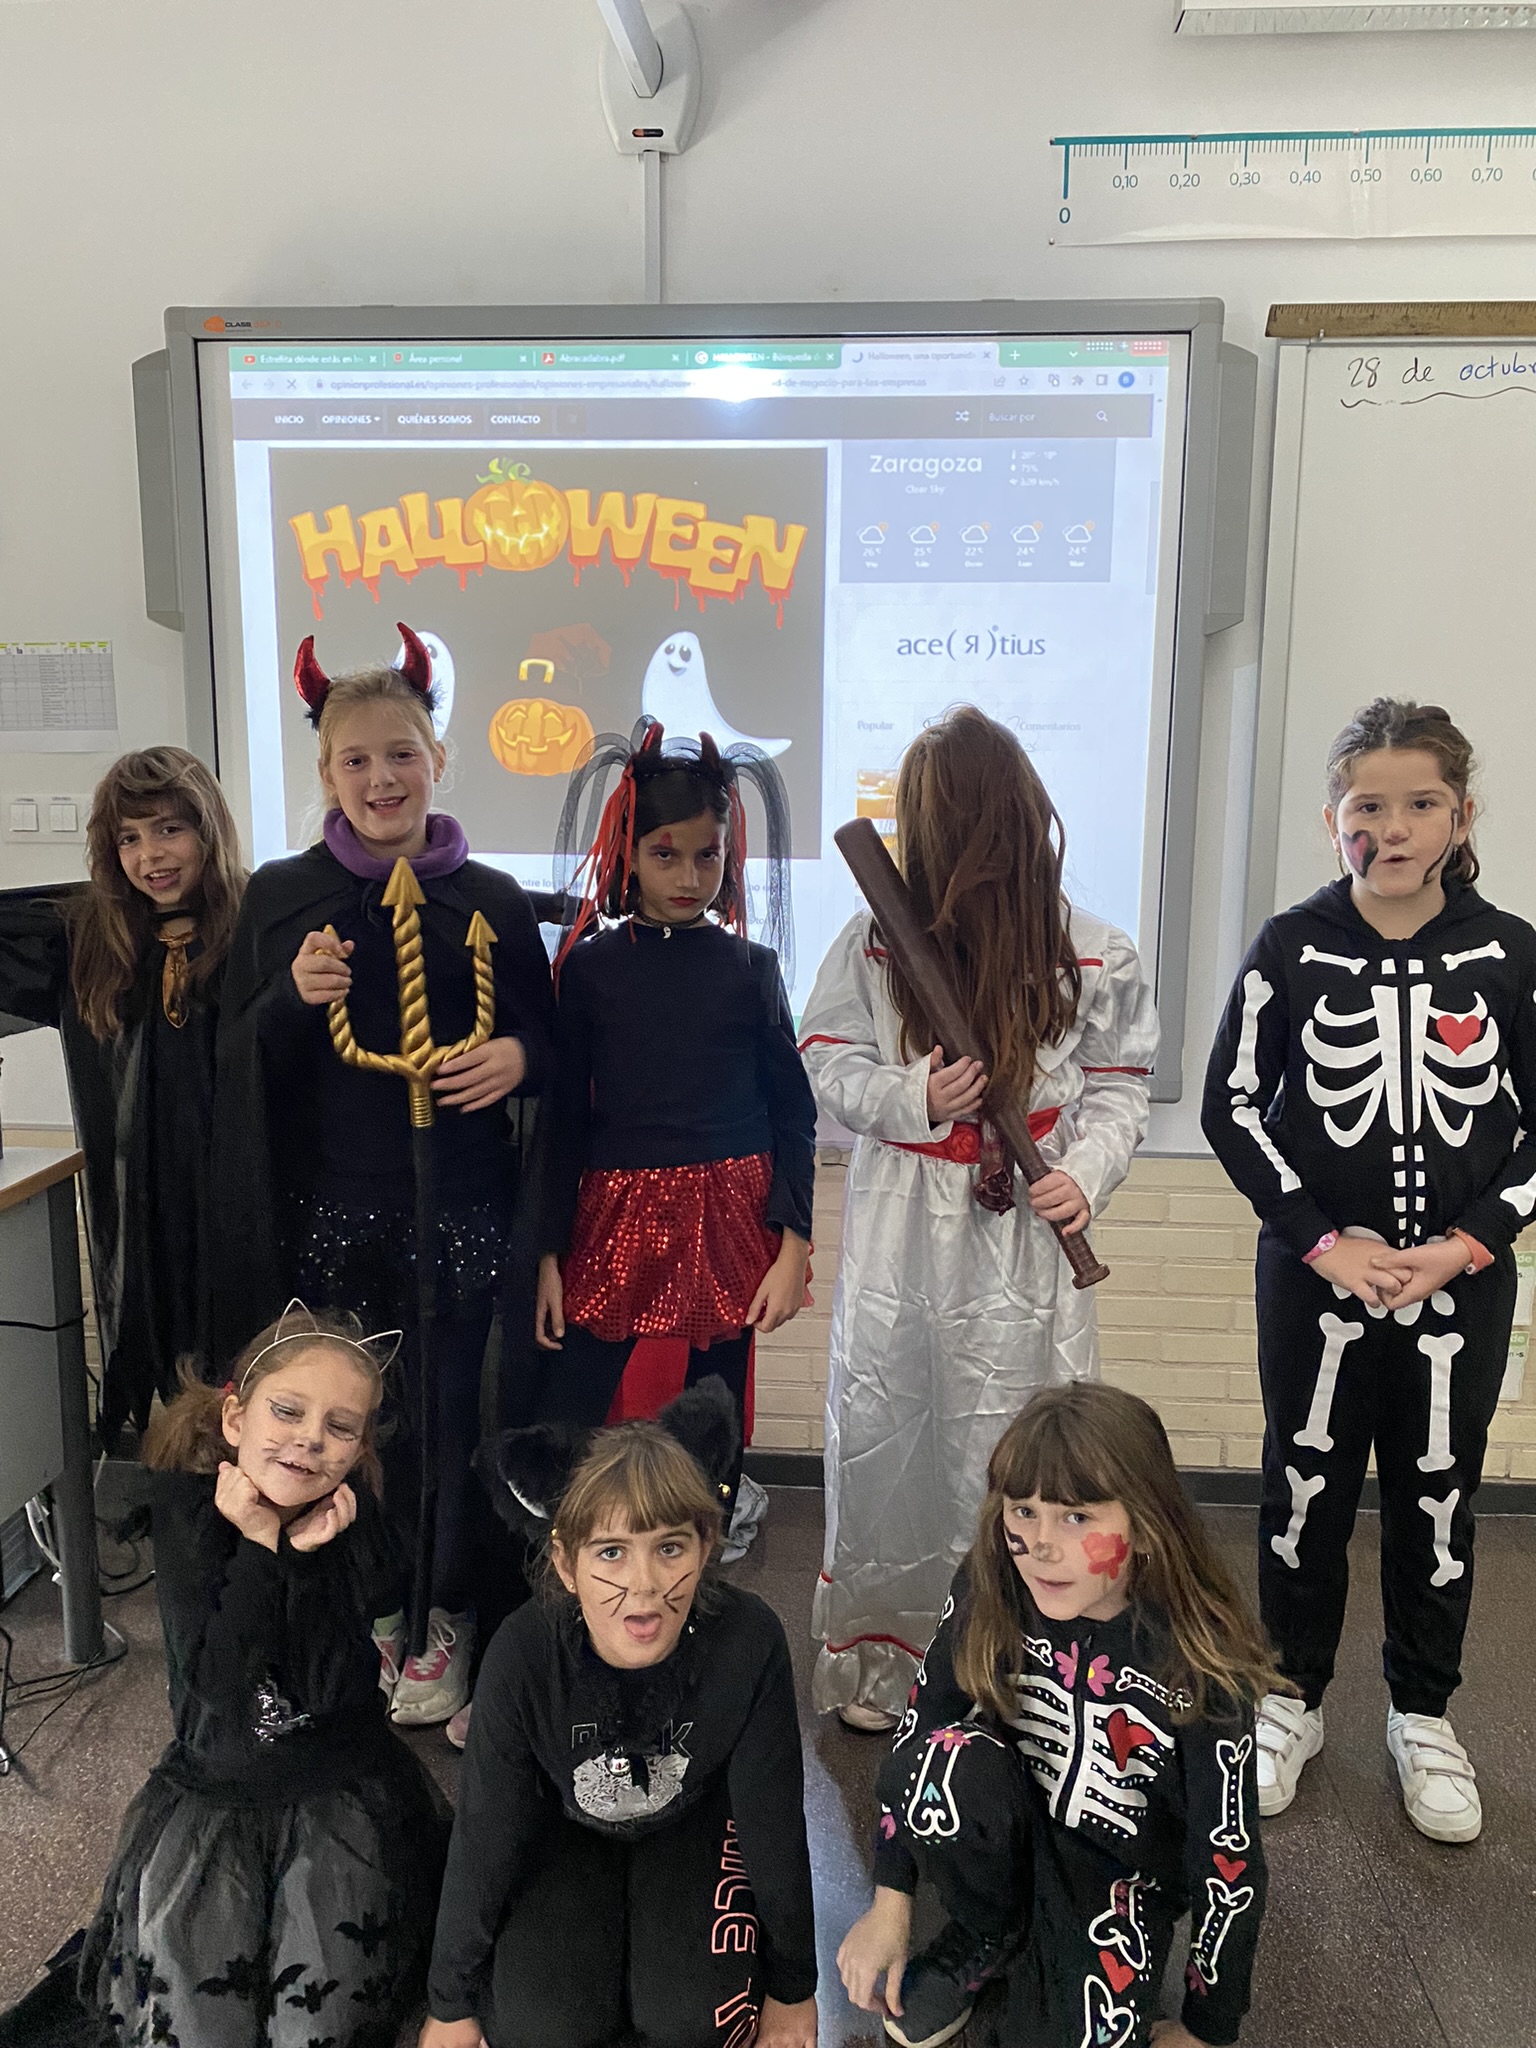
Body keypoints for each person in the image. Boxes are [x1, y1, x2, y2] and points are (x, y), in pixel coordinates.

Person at [1202, 697, 1536, 1842]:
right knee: (1303, 1486)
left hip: (1461, 1281)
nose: (1390, 827)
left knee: (1438, 1494)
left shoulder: (1510, 953)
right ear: (1331, 818)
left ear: (1461, 816)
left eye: (1420, 803)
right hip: (1316, 1280)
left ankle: (1423, 1713)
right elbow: (1232, 1105)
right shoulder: (1290, 946)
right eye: (1367, 804)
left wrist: (1465, 1241)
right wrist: (1321, 1239)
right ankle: (1288, 1696)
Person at [215, 625, 555, 1730]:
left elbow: (552, 1043)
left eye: (402, 753)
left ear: (438, 758)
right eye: (355, 759)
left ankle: (443, 1611)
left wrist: (519, 1057)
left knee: (454, 1418)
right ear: (326, 772)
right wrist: (289, 1000)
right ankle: (362, 1606)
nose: (381, 778)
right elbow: (239, 1064)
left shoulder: (494, 901)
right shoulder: (282, 897)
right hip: (334, 1216)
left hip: (462, 1210)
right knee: (353, 1424)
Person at [801, 707, 1158, 1730]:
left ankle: (1023, 1660)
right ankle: (890, 1660)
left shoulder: (1093, 951)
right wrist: (913, 1094)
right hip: (903, 1233)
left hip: (1025, 1238)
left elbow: (1119, 1087)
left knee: (1020, 1444)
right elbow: (826, 1059)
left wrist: (1083, 1172)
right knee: (891, 1437)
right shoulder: (874, 942)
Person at [838, 1382, 1272, 2048]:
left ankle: (1060, 1961)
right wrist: (889, 1903)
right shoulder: (991, 1582)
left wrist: (1207, 2028)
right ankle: (987, 1931)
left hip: (1119, 1881)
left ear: (1145, 1521)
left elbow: (1227, 1857)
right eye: (1024, 1511)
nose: (1040, 1544)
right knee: (936, 1763)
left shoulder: (1200, 1660)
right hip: (1011, 1825)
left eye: (1076, 1517)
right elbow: (920, 1727)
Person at [77, 1303, 450, 2048]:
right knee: (199, 2023)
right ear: (236, 1418)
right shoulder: (189, 1515)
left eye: (340, 1427)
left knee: (318, 2026)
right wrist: (259, 1547)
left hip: (337, 1798)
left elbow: (330, 1692)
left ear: (357, 1450)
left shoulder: (353, 1526)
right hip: (220, 1798)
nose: (311, 1439)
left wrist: (305, 1559)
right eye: (288, 1411)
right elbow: (218, 1685)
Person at [419, 1380, 819, 2048]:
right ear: (565, 1564)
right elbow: (485, 1832)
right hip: (565, 1831)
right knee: (536, 2026)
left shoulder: (749, 1640)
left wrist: (793, 1985)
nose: (645, 1585)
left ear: (706, 1548)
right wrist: (449, 2001)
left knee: (697, 2020)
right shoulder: (523, 1653)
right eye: (611, 1551)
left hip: (692, 1825)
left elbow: (773, 1822)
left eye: (670, 1548)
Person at [534, 719, 815, 1521]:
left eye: (707, 855)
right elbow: (562, 1118)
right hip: (613, 1212)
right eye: (665, 855)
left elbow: (793, 1112)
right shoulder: (590, 968)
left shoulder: (752, 969)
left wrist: (793, 1246)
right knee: (578, 1398)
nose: (690, 876)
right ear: (629, 853)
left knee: (714, 1405)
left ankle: (701, 1538)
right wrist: (547, 1254)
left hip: (731, 1215)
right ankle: (572, 1540)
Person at [0, 747, 246, 1446]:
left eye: (170, 829)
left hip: (235, 1195)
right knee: (154, 1336)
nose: (150, 856)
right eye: (129, 839)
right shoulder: (90, 941)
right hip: (137, 1199)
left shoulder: (257, 929)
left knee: (244, 1342)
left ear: (209, 829)